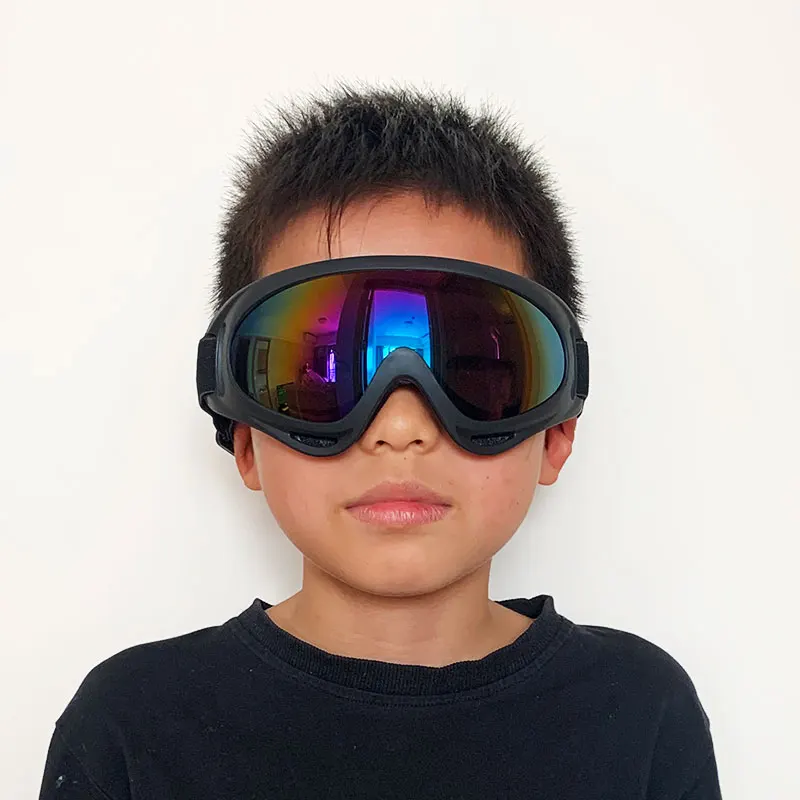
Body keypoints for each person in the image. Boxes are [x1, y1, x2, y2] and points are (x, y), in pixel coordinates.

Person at [38, 85, 722, 799]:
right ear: (243, 440)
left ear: (557, 432)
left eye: (472, 372)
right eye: (327, 373)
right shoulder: (134, 725)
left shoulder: (639, 711)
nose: (399, 427)